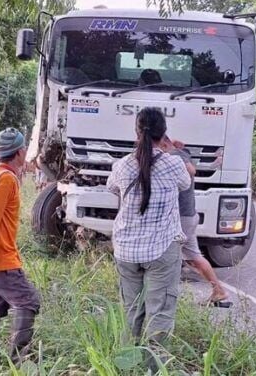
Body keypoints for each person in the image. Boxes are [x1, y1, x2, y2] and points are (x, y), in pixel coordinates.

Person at [106, 108, 190, 361]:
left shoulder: (121, 165)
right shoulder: (173, 163)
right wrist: (170, 149)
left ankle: (127, 363)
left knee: (131, 310)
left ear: (136, 131)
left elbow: (112, 188)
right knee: (160, 311)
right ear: (163, 133)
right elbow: (185, 184)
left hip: (126, 250)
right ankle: (154, 366)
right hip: (162, 249)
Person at [0, 128, 41, 364]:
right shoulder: (6, 179)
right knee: (28, 301)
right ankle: (18, 361)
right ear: (19, 152)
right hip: (0, 258)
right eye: (24, 149)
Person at [161, 136, 230, 306]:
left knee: (168, 254)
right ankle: (218, 290)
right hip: (187, 215)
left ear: (163, 144)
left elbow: (191, 170)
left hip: (182, 216)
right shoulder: (180, 151)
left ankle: (164, 296)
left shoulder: (176, 155)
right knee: (193, 256)